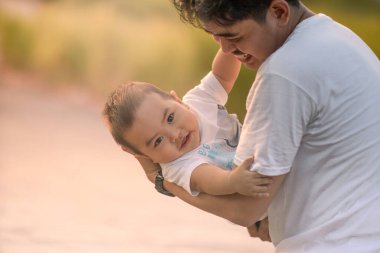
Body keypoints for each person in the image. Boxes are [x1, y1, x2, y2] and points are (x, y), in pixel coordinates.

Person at [138, 0, 380, 252]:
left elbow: (245, 208)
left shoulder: (283, 73)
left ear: (279, 11)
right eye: (216, 37)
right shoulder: (337, 37)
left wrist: (164, 179)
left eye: (233, 36)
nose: (227, 49)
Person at [103, 49, 273, 199]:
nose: (174, 135)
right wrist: (232, 181)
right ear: (145, 156)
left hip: (268, 150)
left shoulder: (197, 103)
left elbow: (221, 76)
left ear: (177, 100)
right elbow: (205, 179)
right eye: (158, 141)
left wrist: (233, 46)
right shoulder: (176, 166)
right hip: (260, 189)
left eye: (170, 118)